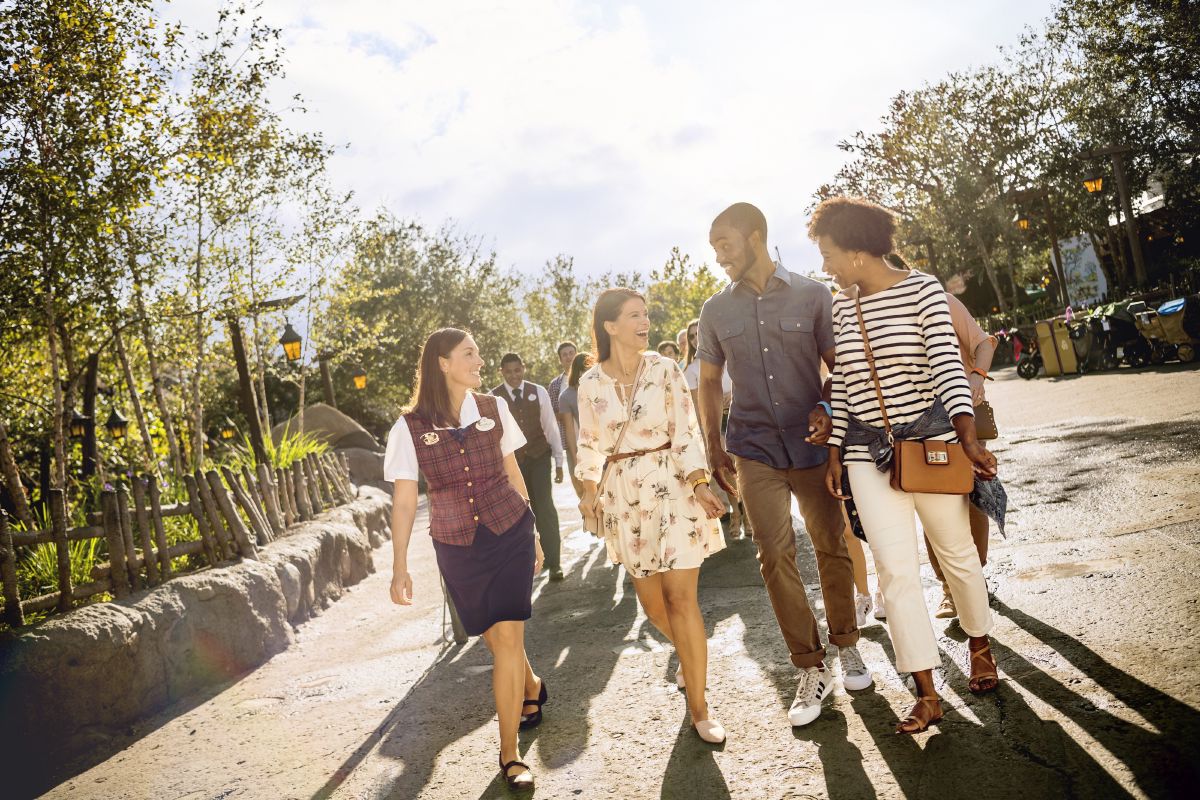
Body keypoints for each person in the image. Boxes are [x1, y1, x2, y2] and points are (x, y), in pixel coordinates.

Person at [813, 196, 1001, 736]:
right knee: (897, 573)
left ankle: (980, 643)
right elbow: (845, 384)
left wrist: (967, 438)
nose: (824, 264)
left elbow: (947, 365)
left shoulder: (923, 290)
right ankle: (926, 691)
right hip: (868, 455)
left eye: (828, 253)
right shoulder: (842, 306)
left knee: (956, 552)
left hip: (932, 444)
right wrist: (835, 454)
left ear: (855, 251)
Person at [698, 202, 870, 729]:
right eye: (714, 249)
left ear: (754, 237)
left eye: (725, 244)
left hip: (813, 442)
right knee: (773, 553)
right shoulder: (714, 310)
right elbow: (707, 383)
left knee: (831, 544)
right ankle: (810, 665)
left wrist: (827, 409)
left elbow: (840, 370)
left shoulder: (813, 295)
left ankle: (847, 645)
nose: (720, 256)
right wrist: (713, 445)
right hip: (752, 447)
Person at [384, 328, 546, 789]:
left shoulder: (495, 409)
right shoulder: (409, 427)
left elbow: (513, 471)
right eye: (469, 353)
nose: (479, 360)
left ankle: (509, 754)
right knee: (494, 640)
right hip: (456, 545)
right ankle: (531, 687)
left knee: (509, 639)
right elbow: (404, 500)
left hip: (509, 530)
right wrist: (400, 566)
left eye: (478, 352)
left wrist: (532, 531)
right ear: (442, 363)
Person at [575, 288, 729, 743]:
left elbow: (686, 430)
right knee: (652, 605)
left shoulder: (665, 370)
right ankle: (690, 654)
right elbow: (588, 443)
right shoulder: (589, 383)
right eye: (634, 316)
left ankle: (699, 707)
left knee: (683, 600)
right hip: (623, 495)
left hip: (673, 486)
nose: (645, 322)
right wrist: (588, 493)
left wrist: (700, 482)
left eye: (646, 315)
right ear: (610, 326)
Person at [930, 293, 998, 618]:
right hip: (920, 425)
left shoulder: (942, 300)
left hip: (965, 417)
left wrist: (975, 378)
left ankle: (975, 576)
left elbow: (985, 344)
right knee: (931, 503)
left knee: (973, 498)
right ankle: (948, 588)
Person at [493, 353, 566, 582]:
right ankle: (527, 564)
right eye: (509, 371)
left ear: (523, 368)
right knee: (520, 513)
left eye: (518, 370)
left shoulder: (538, 392)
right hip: (512, 464)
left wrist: (559, 461)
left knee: (544, 507)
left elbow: (550, 427)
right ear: (501, 372)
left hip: (539, 457)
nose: (514, 375)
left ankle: (554, 563)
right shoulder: (493, 398)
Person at [682, 317, 748, 540]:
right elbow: (696, 406)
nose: (695, 338)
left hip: (741, 418)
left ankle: (748, 514)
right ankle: (736, 514)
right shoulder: (691, 370)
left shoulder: (728, 356)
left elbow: (747, 385)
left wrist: (734, 397)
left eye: (698, 332)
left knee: (745, 469)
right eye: (691, 336)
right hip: (716, 423)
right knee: (727, 471)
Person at [557, 351, 592, 500]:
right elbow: (570, 432)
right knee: (585, 497)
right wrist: (577, 460)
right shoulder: (566, 396)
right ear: (579, 371)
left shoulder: (604, 389)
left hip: (606, 449)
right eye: (588, 369)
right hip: (581, 450)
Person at [547, 341, 579, 500]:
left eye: (571, 353)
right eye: (564, 355)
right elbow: (552, 412)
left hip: (594, 439)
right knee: (577, 481)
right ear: (560, 359)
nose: (568, 357)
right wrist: (569, 413)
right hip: (570, 441)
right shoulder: (555, 385)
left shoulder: (590, 377)